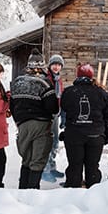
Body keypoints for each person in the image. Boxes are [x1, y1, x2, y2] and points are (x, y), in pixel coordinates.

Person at [9, 48, 59, 189]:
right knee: (37, 160)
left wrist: (19, 121)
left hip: (22, 125)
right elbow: (53, 107)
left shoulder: (17, 82)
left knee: (26, 160)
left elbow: (12, 105)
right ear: (42, 66)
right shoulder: (44, 83)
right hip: (41, 125)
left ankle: (22, 189)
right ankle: (32, 192)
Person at [60, 63, 108, 188]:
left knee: (74, 165)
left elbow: (64, 108)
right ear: (91, 76)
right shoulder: (101, 92)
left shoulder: (69, 92)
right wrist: (107, 135)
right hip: (95, 134)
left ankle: (73, 190)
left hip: (74, 134)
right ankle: (93, 191)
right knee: (93, 165)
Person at [42, 54, 65, 183]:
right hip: (47, 114)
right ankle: (45, 170)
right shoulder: (47, 79)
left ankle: (52, 166)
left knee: (55, 141)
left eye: (59, 65)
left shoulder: (58, 79)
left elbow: (59, 97)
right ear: (50, 66)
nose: (56, 67)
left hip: (56, 114)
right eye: (54, 64)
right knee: (48, 141)